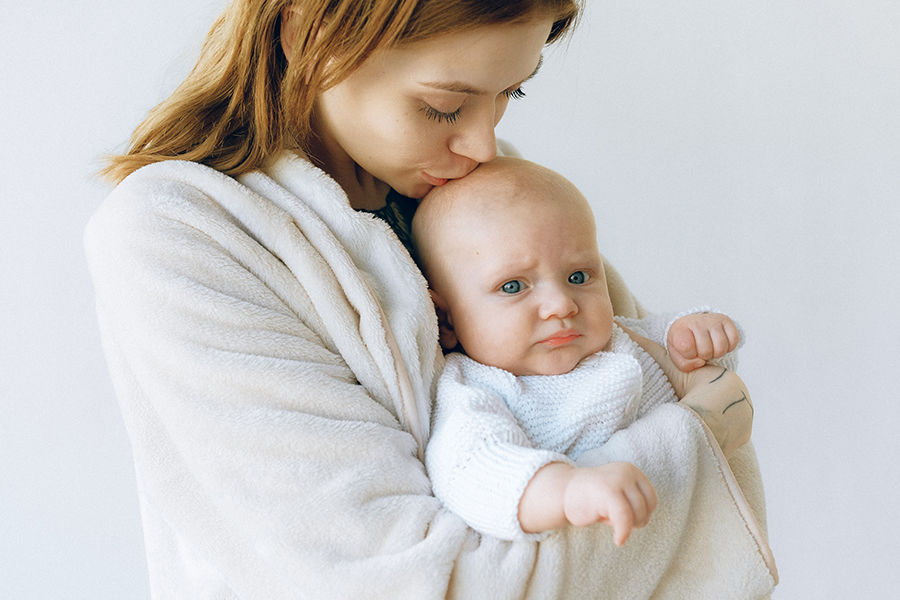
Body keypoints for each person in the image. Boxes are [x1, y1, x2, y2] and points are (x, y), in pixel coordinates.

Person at [86, 1, 776, 597]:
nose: (482, 143)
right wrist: (697, 441)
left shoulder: (467, 190)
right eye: (442, 106)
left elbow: (633, 370)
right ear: (308, 35)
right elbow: (417, 585)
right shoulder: (181, 233)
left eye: (513, 91)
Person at [412, 156, 751, 547]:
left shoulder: (616, 339)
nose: (561, 304)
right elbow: (470, 469)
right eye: (513, 287)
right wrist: (567, 490)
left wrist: (695, 332)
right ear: (447, 321)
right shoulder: (478, 390)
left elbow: (699, 367)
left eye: (577, 277)